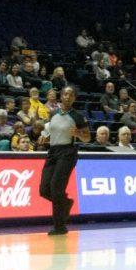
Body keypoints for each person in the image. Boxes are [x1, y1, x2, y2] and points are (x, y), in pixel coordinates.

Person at [40, 85, 88, 235]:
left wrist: (79, 133)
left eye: (71, 95)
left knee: (56, 188)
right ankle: (66, 203)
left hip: (68, 152)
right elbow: (49, 129)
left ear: (74, 98)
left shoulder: (78, 117)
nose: (67, 97)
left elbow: (87, 138)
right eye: (65, 94)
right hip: (52, 151)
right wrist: (44, 136)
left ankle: (59, 226)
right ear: (61, 96)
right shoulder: (53, 113)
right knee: (44, 189)